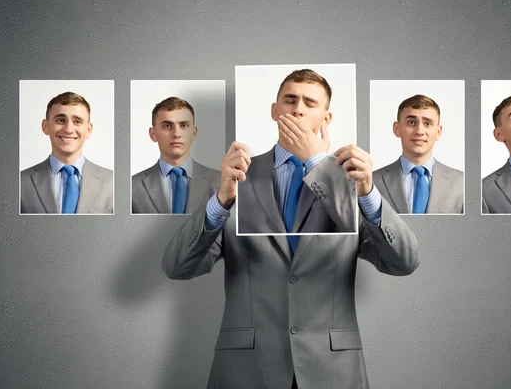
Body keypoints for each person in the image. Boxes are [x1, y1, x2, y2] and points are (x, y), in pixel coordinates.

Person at [162, 69, 419, 389]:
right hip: (247, 371)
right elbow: (177, 266)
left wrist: (358, 189)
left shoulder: (352, 183)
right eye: (290, 99)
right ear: (274, 110)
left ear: (326, 118)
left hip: (332, 370)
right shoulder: (234, 179)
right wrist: (221, 200)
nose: (298, 108)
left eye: (309, 102)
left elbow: (404, 261)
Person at [20, 91, 113, 214]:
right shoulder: (20, 182)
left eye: (77, 121)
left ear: (88, 129)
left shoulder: (113, 182)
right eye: (60, 120)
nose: (69, 129)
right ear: (45, 126)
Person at [373, 94, 464, 214]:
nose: (420, 131)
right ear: (397, 128)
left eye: (427, 124)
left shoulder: (461, 182)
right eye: (411, 122)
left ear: (438, 132)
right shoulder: (372, 182)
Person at [132, 97, 219, 214]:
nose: (176, 134)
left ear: (194, 133)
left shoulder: (222, 181)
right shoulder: (132, 186)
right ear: (153, 134)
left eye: (183, 125)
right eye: (167, 126)